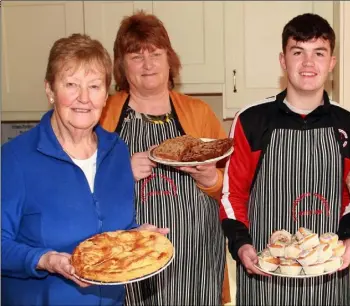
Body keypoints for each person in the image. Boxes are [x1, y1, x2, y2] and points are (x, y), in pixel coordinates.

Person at [1, 33, 167, 306]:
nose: (83, 98)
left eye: (94, 86)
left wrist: (135, 236)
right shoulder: (15, 158)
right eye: (71, 84)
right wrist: (45, 260)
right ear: (50, 90)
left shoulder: (116, 151)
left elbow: (111, 229)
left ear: (105, 96)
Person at [220, 13, 350, 305]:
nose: (308, 63)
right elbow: (232, 193)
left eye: (319, 53)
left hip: (327, 277)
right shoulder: (251, 121)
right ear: (283, 60)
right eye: (298, 52)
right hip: (265, 274)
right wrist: (241, 244)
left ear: (332, 63)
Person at [99, 11, 229, 305]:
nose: (148, 65)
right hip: (129, 259)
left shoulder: (199, 113)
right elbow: (78, 184)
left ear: (170, 59)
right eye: (136, 56)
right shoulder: (102, 113)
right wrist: (121, 170)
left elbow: (233, 190)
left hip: (196, 260)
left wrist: (210, 178)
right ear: (122, 65)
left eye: (156, 54)